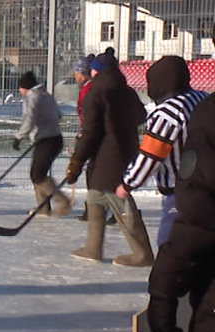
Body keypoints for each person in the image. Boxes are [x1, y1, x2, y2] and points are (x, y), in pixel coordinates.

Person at [146, 94, 215, 332]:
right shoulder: (195, 103)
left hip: (178, 202)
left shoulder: (174, 112)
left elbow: (201, 215)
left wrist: (164, 287)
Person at [66, 51, 151, 265]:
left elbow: (91, 132)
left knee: (118, 198)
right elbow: (142, 115)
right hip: (125, 150)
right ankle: (93, 248)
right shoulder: (127, 91)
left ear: (96, 71)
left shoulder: (96, 93)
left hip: (107, 157)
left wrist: (76, 162)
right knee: (95, 196)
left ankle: (142, 253)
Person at [120, 55, 207, 246]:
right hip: (208, 186)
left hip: (181, 193)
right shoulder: (202, 98)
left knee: (171, 247)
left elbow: (151, 155)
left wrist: (127, 183)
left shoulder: (167, 113)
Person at [12, 70, 70, 216]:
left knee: (37, 174)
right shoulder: (46, 95)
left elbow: (29, 119)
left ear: (24, 87)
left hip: (46, 140)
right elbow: (58, 115)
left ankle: (62, 201)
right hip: (55, 139)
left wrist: (19, 137)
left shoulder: (32, 98)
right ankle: (43, 207)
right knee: (38, 173)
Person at [72, 55, 96, 222]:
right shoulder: (87, 88)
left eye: (76, 72)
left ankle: (93, 210)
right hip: (90, 132)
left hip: (93, 135)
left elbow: (89, 116)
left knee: (94, 175)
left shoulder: (89, 90)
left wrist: (84, 132)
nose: (75, 76)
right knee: (94, 174)